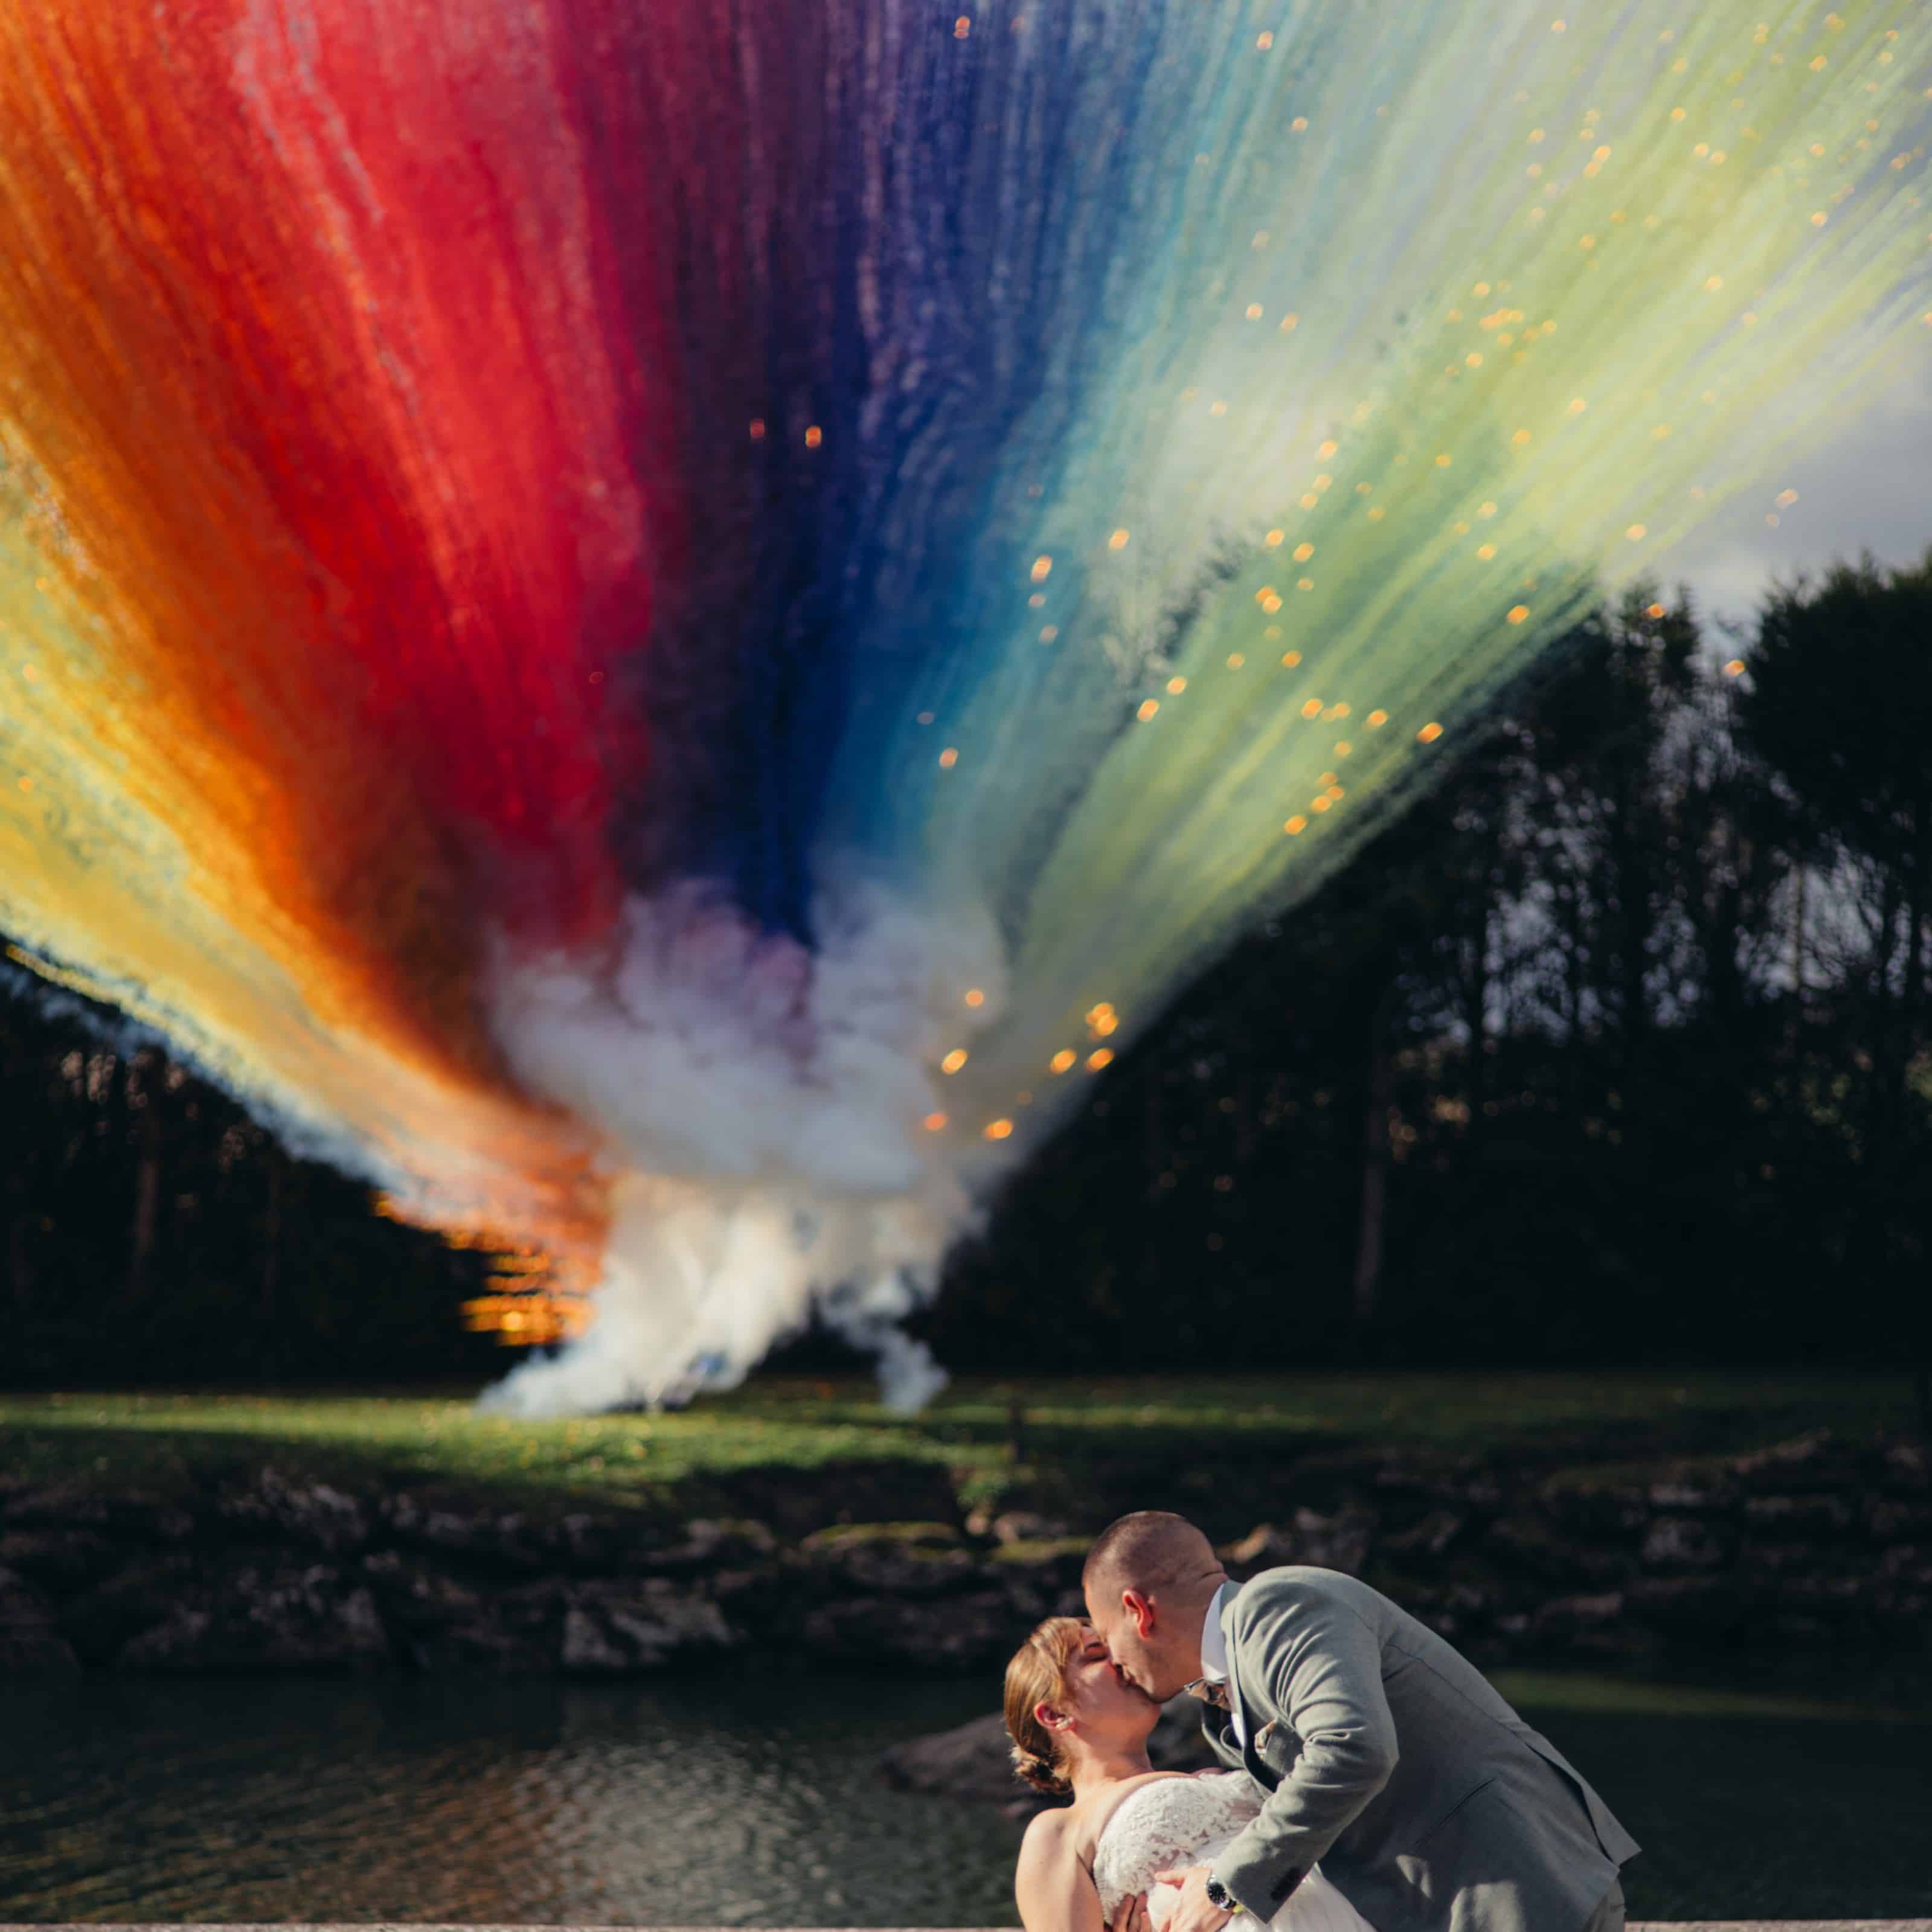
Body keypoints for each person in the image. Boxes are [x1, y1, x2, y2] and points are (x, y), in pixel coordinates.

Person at [1082, 1512, 1638, 1932]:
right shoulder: (1223, 1698)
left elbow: (1353, 1749)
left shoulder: (1277, 1605)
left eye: (1106, 1639)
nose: (1115, 1661)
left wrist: (1226, 1886)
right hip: (1451, 1903)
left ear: (1139, 1610)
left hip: (1517, 1890)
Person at [1008, 1616, 1376, 1932]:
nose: (1119, 1659)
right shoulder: (1058, 1830)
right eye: (1097, 1656)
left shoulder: (1215, 1771)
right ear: (1055, 1715)